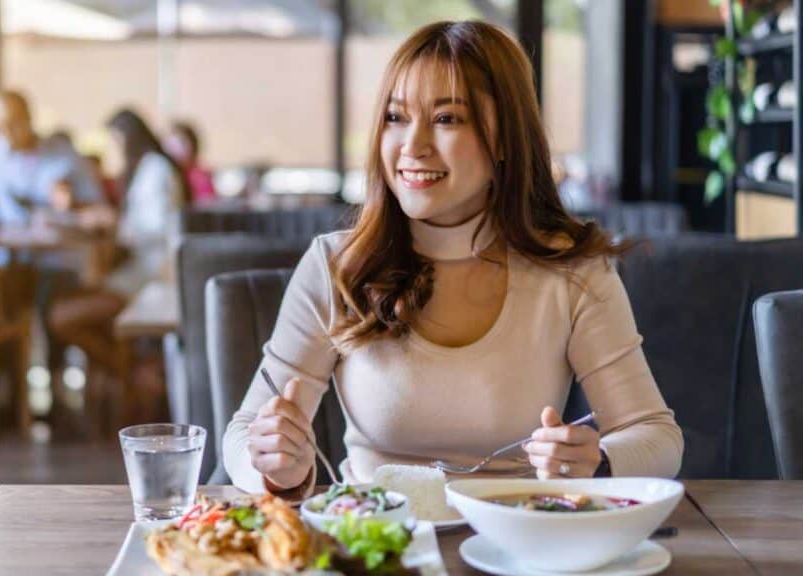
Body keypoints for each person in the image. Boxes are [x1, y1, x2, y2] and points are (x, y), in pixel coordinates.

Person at [223, 21, 684, 497]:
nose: (412, 145)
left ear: (505, 138)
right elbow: (242, 436)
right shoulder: (336, 265)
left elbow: (656, 435)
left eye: (447, 119)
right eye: (396, 117)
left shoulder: (572, 271)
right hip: (374, 542)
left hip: (519, 540)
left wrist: (600, 461)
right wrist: (278, 465)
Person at [48, 109, 186, 373]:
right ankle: (124, 372)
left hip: (151, 277)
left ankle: (126, 371)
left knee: (62, 316)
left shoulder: (156, 169)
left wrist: (113, 222)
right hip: (139, 272)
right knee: (77, 302)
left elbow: (157, 228)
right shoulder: (147, 169)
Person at [0, 90, 103, 225]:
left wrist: (72, 206)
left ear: (28, 117)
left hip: (58, 242)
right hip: (4, 243)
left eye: (13, 124)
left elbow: (98, 211)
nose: (7, 133)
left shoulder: (66, 157)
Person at [163, 121, 216, 205]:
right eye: (170, 142)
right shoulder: (166, 174)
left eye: (181, 142)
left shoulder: (199, 177)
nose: (174, 147)